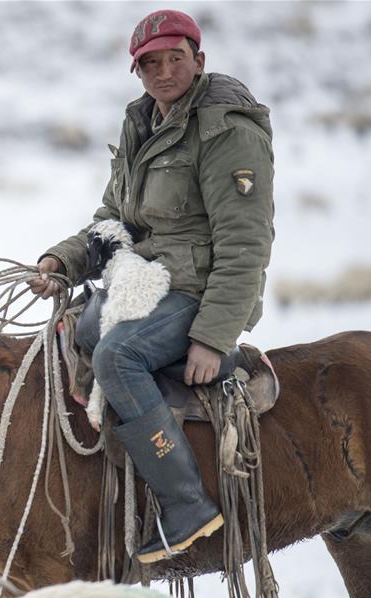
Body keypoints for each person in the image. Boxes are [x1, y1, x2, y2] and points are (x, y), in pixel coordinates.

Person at [28, 9, 275, 563]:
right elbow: (115, 220)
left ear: (199, 60)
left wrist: (213, 336)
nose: (164, 72)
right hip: (147, 281)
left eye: (176, 59)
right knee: (76, 326)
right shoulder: (143, 122)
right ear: (136, 71)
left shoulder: (226, 130)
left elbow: (246, 243)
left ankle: (186, 504)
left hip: (199, 291)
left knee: (118, 357)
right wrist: (61, 263)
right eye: (150, 63)